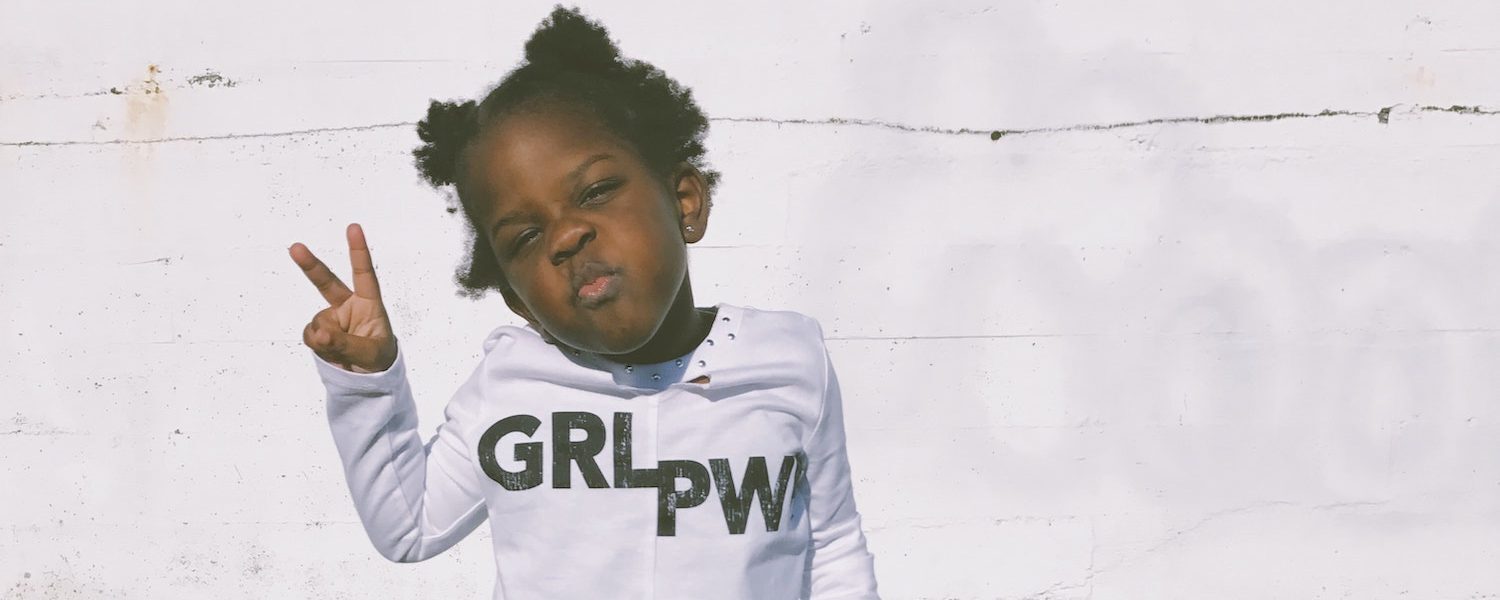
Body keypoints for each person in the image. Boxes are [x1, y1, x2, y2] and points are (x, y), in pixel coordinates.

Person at [287, 6, 879, 599]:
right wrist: (367, 385)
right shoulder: (510, 386)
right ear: (518, 301)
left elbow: (831, 546)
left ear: (685, 202)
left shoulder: (788, 359)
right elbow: (410, 528)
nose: (567, 236)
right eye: (525, 237)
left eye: (595, 191)